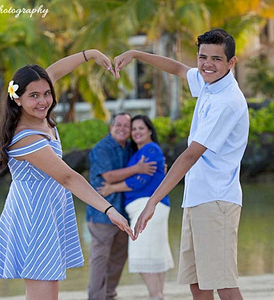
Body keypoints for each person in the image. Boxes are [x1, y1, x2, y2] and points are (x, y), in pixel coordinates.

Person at [114, 29, 249, 300]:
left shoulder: (227, 102)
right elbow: (177, 68)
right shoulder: (209, 83)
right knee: (197, 283)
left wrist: (153, 200)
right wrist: (137, 54)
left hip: (217, 201)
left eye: (216, 59)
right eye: (202, 57)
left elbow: (189, 156)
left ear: (231, 63)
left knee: (223, 282)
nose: (207, 64)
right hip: (197, 199)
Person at [0, 50, 135, 300]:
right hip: (36, 215)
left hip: (47, 209)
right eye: (33, 96)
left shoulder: (39, 115)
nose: (43, 100)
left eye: (46, 93)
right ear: (17, 99)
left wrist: (90, 55)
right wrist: (109, 210)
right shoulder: (26, 137)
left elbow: (55, 71)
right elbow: (68, 178)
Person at [98, 115, 174, 300]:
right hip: (151, 207)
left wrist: (111, 188)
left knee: (142, 254)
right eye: (134, 129)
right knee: (155, 255)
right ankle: (158, 295)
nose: (136, 132)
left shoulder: (151, 149)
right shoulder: (139, 153)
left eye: (141, 128)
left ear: (149, 130)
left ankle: (156, 295)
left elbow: (140, 181)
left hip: (146, 206)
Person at [87, 112, 157, 300]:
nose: (123, 129)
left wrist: (160, 169)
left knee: (118, 258)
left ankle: (109, 295)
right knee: (100, 260)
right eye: (118, 124)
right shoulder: (102, 148)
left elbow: (148, 172)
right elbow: (108, 176)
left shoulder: (130, 148)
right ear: (111, 127)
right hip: (102, 214)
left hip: (124, 213)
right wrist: (137, 169)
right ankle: (96, 297)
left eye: (127, 126)